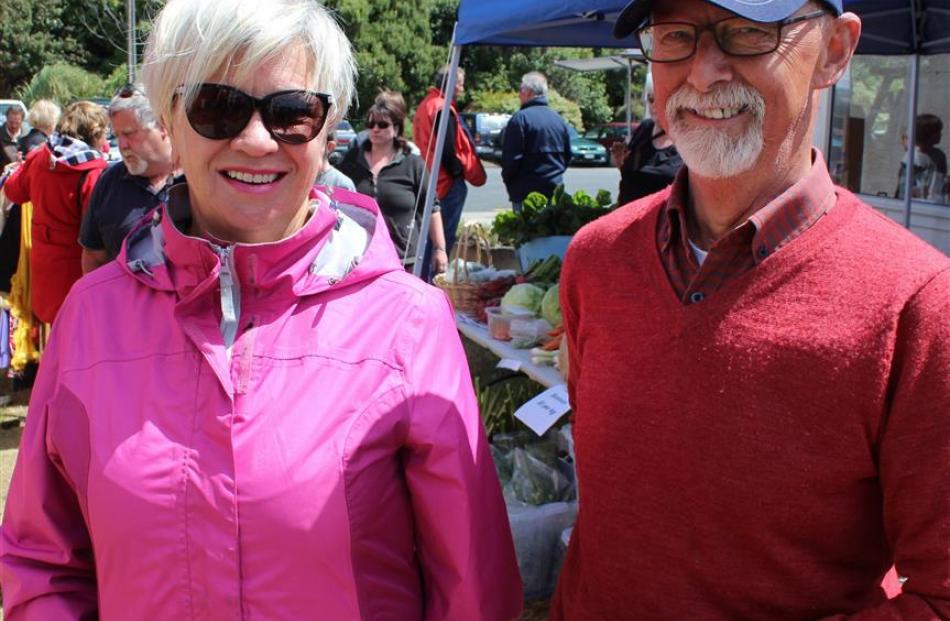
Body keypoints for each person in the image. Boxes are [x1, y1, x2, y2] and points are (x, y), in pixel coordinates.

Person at [0, 0, 523, 618]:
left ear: (328, 132)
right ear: (170, 116)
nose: (254, 140)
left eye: (291, 112)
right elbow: (46, 566)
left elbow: (470, 590)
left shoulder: (407, 324)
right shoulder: (91, 318)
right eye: (216, 107)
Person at [553, 0, 950, 619]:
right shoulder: (596, 260)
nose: (705, 71)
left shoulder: (918, 304)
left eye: (747, 31)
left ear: (836, 52)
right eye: (675, 35)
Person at [1, 100, 109, 324]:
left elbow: (14, 191)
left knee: (51, 332)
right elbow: (97, 233)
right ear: (94, 134)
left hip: (43, 264)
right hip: (75, 270)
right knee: (75, 335)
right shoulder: (92, 172)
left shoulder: (40, 156)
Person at [339, 96, 449, 275]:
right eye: (371, 124)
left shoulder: (413, 164)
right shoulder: (351, 161)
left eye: (382, 125)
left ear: (396, 128)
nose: (375, 129)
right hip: (359, 258)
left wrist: (440, 249)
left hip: (403, 258)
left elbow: (432, 208)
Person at [80, 84, 177, 272]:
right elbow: (94, 256)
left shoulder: (196, 176)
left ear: (163, 126)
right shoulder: (109, 182)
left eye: (129, 133)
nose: (122, 145)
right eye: (117, 135)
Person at [413, 65, 486, 261]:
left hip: (431, 178)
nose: (462, 89)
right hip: (445, 183)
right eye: (461, 84)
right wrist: (457, 173)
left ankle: (426, 280)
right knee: (441, 241)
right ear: (451, 85)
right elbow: (447, 149)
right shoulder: (442, 108)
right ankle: (434, 283)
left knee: (429, 239)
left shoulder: (426, 104)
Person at [501, 71, 572, 210]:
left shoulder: (519, 119)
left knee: (526, 231)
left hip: (525, 193)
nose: (518, 94)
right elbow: (568, 155)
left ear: (529, 92)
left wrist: (509, 181)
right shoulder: (558, 120)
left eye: (520, 90)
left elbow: (511, 159)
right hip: (554, 190)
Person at [611, 73, 683, 205]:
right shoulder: (645, 128)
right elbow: (631, 174)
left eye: (660, 99)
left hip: (664, 221)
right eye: (651, 99)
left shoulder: (690, 137)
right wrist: (619, 162)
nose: (654, 106)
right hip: (629, 214)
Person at [896, 113, 947, 203]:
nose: (941, 134)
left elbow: (939, 182)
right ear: (927, 134)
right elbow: (904, 189)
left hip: (936, 205)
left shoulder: (939, 155)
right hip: (917, 206)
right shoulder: (912, 158)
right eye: (937, 132)